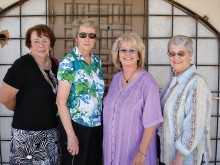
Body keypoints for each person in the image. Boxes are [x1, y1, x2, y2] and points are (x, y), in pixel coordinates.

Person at [0, 24, 60, 164]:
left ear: (50, 43)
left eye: (45, 40)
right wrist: (21, 108)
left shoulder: (55, 64)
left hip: (51, 133)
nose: (41, 45)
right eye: (36, 41)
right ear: (29, 45)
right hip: (27, 135)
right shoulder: (22, 65)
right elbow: (4, 97)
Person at [103, 32, 163, 165]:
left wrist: (141, 154)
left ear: (138, 55)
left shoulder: (148, 83)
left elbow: (152, 123)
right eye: (123, 50)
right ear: (118, 54)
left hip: (135, 156)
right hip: (112, 152)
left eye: (132, 50)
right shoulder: (116, 79)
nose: (127, 54)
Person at [56, 18, 104, 165]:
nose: (87, 39)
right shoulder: (69, 62)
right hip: (75, 125)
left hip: (96, 125)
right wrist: (71, 136)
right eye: (83, 35)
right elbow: (60, 102)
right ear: (76, 37)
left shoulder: (97, 62)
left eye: (91, 35)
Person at [158, 35, 212, 165]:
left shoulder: (196, 83)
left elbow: (194, 125)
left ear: (190, 54)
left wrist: (179, 157)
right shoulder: (173, 79)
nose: (176, 58)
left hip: (185, 159)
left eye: (181, 53)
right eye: (172, 54)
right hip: (169, 155)